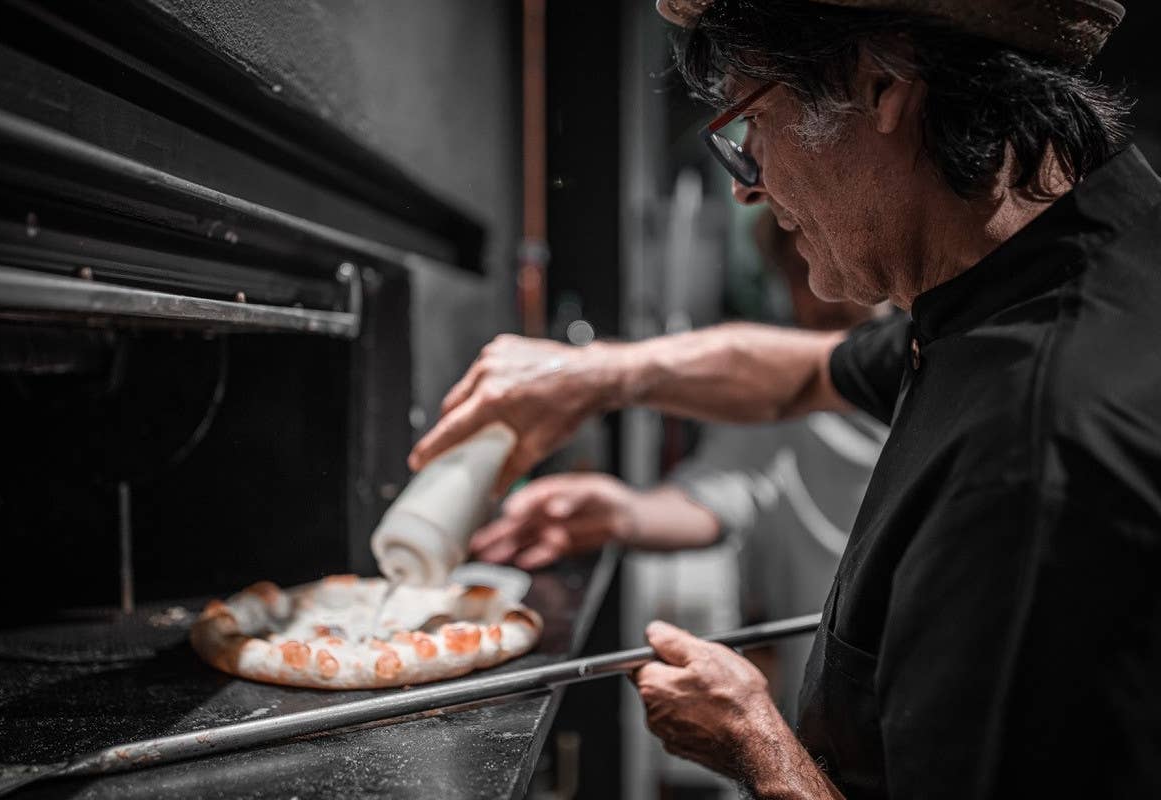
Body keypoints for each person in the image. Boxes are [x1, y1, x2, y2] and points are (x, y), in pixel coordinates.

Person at [410, 0, 1161, 796]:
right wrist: (594, 376)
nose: (749, 186)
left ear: (881, 86)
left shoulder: (1036, 451)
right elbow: (804, 371)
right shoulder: (1038, 279)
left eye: (756, 121)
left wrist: (754, 741)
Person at [469, 209, 885, 720]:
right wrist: (622, 512)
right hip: (840, 714)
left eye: (839, 249)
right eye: (802, 268)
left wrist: (598, 371)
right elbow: (714, 498)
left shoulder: (941, 372)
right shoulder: (778, 408)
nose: (826, 290)